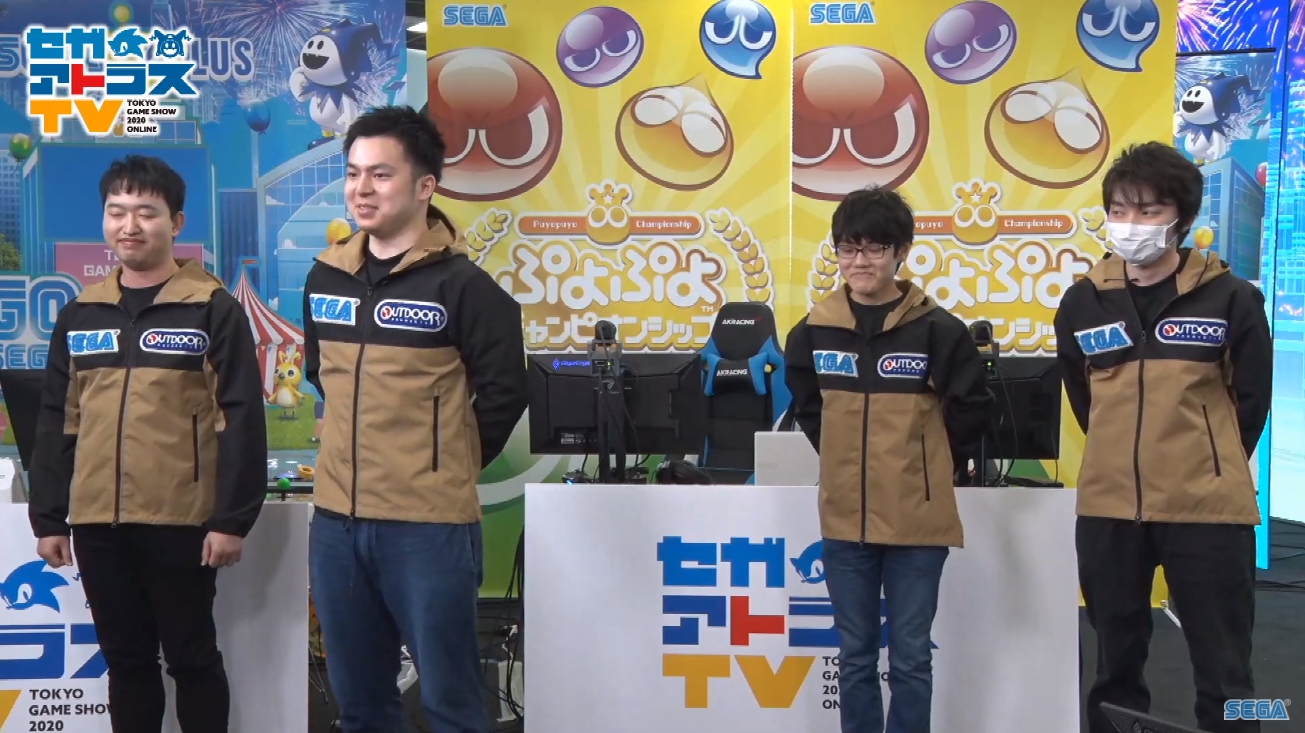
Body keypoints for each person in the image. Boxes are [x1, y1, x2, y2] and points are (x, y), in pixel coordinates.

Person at [303, 106, 529, 733]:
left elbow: (506, 392)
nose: (362, 189)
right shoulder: (325, 276)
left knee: (451, 705)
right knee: (359, 706)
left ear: (425, 185)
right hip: (336, 525)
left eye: (381, 174)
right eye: (353, 173)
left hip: (428, 527)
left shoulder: (465, 287)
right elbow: (322, 373)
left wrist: (444, 464)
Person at [28, 154, 268, 733]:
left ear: (176, 222)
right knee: (127, 663)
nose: (129, 225)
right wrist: (50, 517)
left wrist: (232, 519)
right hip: (98, 523)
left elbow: (240, 417)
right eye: (117, 211)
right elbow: (58, 419)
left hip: (181, 520)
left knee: (192, 659)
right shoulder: (81, 313)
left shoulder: (212, 308)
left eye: (146, 212)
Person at [1054, 142, 1272, 733]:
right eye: (1120, 210)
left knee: (1227, 671)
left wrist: (1206, 459)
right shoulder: (1082, 302)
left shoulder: (1233, 298)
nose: (1132, 224)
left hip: (1207, 509)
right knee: (1113, 667)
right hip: (1109, 508)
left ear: (1182, 217)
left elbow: (1250, 403)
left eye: (1149, 211)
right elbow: (1084, 397)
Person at [784, 186, 994, 733]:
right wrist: (841, 457)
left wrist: (927, 466)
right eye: (848, 248)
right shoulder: (812, 331)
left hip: (917, 524)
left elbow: (970, 410)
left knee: (911, 658)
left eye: (875, 248)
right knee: (854, 656)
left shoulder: (939, 330)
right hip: (843, 523)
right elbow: (809, 408)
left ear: (901, 252)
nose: (860, 261)